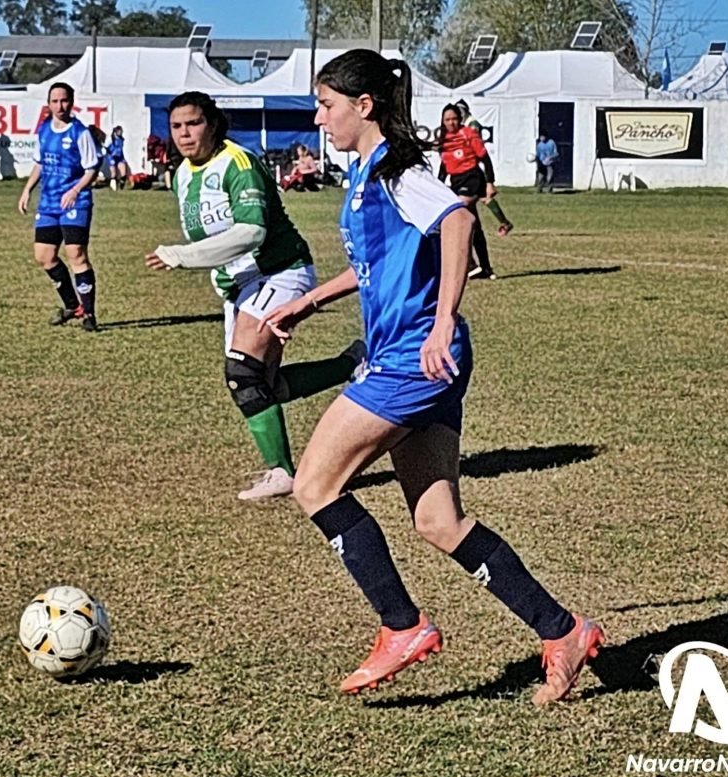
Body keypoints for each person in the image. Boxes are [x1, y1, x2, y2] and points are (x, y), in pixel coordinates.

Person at [260, 50, 604, 703]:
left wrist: (444, 318)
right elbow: (379, 263)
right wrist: (308, 301)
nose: (318, 116)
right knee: (439, 522)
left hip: (416, 358)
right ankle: (564, 632)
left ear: (363, 106)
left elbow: (458, 220)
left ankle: (402, 626)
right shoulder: (366, 173)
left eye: (327, 104)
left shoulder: (396, 169)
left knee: (313, 483)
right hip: (419, 357)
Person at [145, 91, 365, 501]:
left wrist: (181, 255)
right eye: (176, 126)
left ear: (211, 122)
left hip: (279, 271)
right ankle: (353, 362)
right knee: (265, 387)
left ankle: (282, 473)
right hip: (242, 284)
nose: (184, 133)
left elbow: (252, 233)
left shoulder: (237, 162)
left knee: (241, 373)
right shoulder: (181, 175)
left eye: (193, 123)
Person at [18, 82, 101, 332]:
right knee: (44, 257)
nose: (60, 106)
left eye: (64, 101)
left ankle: (89, 314)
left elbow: (92, 169)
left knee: (76, 254)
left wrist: (75, 190)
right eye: (55, 101)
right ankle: (72, 305)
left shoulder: (80, 132)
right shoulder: (44, 130)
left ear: (71, 102)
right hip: (49, 203)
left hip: (75, 202)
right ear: (49, 103)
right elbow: (40, 163)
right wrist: (27, 189)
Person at [436, 104, 498, 280]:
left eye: (454, 119)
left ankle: (470, 265)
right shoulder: (444, 139)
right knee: (473, 224)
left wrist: (489, 183)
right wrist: (438, 184)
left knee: (457, 210)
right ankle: (485, 268)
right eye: (447, 119)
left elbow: (485, 158)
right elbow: (444, 165)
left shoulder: (468, 133)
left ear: (460, 119)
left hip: (472, 178)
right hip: (456, 181)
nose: (451, 122)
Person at [454, 99, 513, 239]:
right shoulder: (464, 125)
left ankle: (481, 228)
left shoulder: (472, 124)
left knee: (478, 198)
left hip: (474, 166)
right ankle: (502, 223)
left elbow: (472, 144)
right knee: (482, 198)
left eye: (460, 111)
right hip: (469, 167)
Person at [107, 125, 129, 190]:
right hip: (112, 157)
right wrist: (110, 154)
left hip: (120, 157)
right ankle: (113, 188)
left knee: (123, 173)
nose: (120, 133)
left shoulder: (121, 139)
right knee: (113, 173)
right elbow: (105, 148)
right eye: (119, 131)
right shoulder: (110, 139)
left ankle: (121, 187)